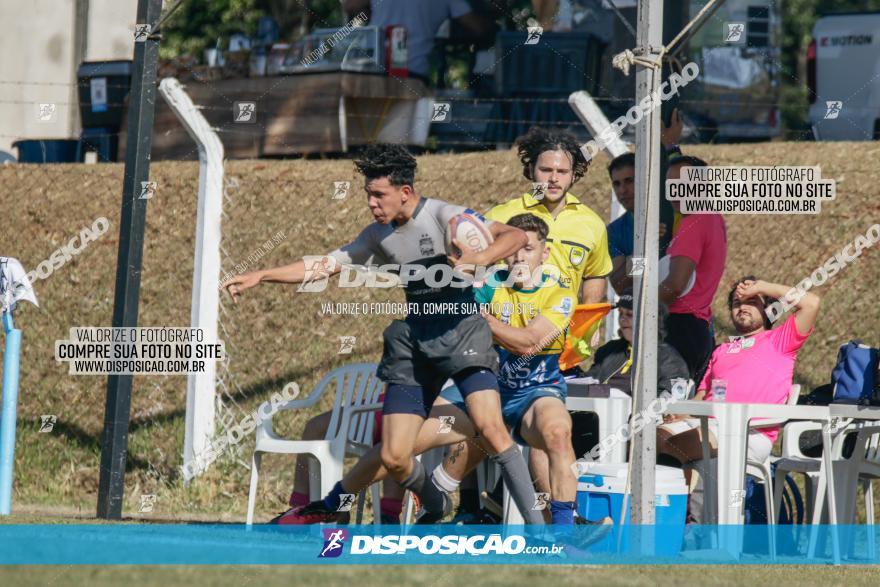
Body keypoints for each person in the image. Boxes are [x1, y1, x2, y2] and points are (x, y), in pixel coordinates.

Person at [223, 144, 543, 525]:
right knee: (393, 456)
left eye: (379, 195)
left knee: (491, 429)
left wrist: (480, 258)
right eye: (368, 196)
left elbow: (514, 237)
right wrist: (263, 275)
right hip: (414, 339)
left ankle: (539, 536)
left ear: (405, 192)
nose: (372, 204)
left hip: (462, 330)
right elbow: (326, 265)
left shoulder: (446, 216)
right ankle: (436, 502)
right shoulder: (377, 236)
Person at [657, 277, 821, 485]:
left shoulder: (780, 341)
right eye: (737, 303)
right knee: (650, 440)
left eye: (752, 302)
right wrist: (683, 413)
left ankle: (671, 511)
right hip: (709, 424)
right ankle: (665, 508)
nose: (742, 307)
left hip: (748, 433)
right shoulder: (721, 351)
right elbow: (703, 394)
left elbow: (811, 303)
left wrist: (761, 286)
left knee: (675, 445)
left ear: (771, 311)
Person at [486, 127, 612, 305]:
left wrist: (587, 320)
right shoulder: (499, 217)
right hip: (507, 328)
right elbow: (475, 267)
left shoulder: (592, 223)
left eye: (562, 172)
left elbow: (595, 274)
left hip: (563, 329)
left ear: (574, 175)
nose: (553, 178)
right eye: (545, 170)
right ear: (531, 170)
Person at [659, 155, 727, 381]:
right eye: (671, 185)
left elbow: (675, 285)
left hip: (680, 328)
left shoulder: (694, 221)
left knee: (667, 410)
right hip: (697, 327)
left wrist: (641, 309)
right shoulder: (712, 217)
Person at [342, 0, 500, 83]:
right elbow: (478, 27)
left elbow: (351, 5)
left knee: (368, 131)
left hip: (373, 68)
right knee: (404, 135)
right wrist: (496, 12)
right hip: (412, 72)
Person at [578, 289, 689, 397]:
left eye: (629, 314)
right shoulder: (609, 350)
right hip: (597, 410)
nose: (622, 319)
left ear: (648, 318)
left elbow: (670, 398)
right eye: (620, 313)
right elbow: (588, 381)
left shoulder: (669, 358)